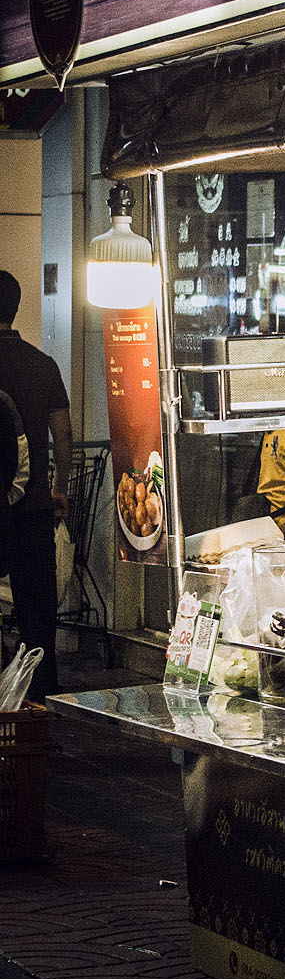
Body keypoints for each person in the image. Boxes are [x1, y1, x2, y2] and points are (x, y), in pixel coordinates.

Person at [0, 271, 72, 697]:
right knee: (38, 615)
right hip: (32, 510)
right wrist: (59, 487)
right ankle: (40, 704)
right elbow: (62, 435)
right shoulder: (43, 365)